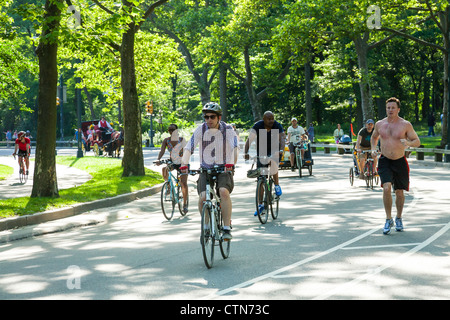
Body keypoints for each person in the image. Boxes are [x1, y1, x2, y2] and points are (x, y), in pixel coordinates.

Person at [180, 102, 239, 241]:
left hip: (224, 168)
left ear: (219, 117)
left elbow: (235, 148)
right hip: (206, 169)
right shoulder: (201, 129)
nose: (209, 120)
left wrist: (231, 163)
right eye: (206, 117)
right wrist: (184, 164)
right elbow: (189, 147)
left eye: (212, 117)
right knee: (202, 198)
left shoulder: (228, 129)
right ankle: (206, 225)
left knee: (223, 192)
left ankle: (226, 228)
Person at [371, 97, 421, 235]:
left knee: (399, 192)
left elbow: (417, 141)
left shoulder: (405, 125)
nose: (390, 110)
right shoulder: (380, 124)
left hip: (400, 161)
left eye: (393, 108)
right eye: (388, 108)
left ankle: (399, 217)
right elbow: (374, 137)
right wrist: (373, 149)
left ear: (398, 109)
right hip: (385, 160)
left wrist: (409, 143)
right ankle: (388, 219)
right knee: (386, 187)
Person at [244, 111, 285, 215]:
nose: (271, 121)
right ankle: (260, 205)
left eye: (272, 118)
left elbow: (282, 138)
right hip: (261, 152)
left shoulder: (277, 125)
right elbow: (249, 139)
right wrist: (245, 152)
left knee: (273, 163)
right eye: (269, 119)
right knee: (261, 179)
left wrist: (281, 150)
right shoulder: (258, 126)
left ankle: (276, 185)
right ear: (263, 119)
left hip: (274, 150)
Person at [155, 124, 189, 214]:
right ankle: (169, 186)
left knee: (183, 183)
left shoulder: (181, 140)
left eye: (173, 129)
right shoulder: (166, 140)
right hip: (173, 162)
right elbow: (162, 150)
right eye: (169, 130)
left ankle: (185, 204)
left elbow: (187, 151)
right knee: (164, 169)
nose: (171, 131)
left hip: (182, 162)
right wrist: (158, 159)